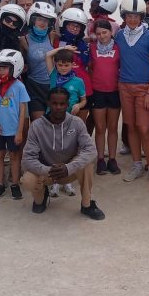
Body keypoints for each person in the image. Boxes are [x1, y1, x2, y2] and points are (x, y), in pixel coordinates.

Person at [20, 88, 105, 220]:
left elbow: (91, 150)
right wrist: (48, 169)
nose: (58, 107)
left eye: (62, 104)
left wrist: (68, 167)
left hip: (69, 170)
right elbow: (27, 159)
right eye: (54, 103)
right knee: (28, 179)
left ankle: (87, 205)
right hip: (47, 172)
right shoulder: (36, 126)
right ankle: (40, 199)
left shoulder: (76, 123)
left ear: (67, 104)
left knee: (87, 162)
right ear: (48, 103)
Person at [116, 0, 149, 185]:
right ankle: (136, 164)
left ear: (142, 17)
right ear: (124, 16)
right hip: (124, 86)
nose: (133, 19)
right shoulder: (119, 35)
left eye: (136, 16)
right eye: (129, 16)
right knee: (131, 127)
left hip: (144, 87)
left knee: (145, 128)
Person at [43, 46, 88, 197]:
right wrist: (64, 48)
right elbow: (48, 55)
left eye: (66, 65)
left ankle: (67, 181)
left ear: (72, 65)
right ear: (56, 65)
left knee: (69, 150)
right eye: (60, 64)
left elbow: (84, 100)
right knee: (54, 150)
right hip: (52, 119)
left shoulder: (78, 81)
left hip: (70, 120)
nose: (63, 68)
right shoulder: (53, 75)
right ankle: (55, 182)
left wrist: (78, 106)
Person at [0, 49, 30, 200]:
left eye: (4, 67)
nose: (1, 70)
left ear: (14, 68)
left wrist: (19, 131)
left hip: (13, 130)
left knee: (14, 156)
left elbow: (23, 110)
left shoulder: (19, 86)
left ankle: (15, 184)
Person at [88, 19, 121, 175]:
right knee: (100, 128)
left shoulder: (118, 47)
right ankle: (101, 159)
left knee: (113, 127)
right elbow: (89, 68)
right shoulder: (92, 48)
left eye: (105, 32)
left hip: (114, 91)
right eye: (99, 33)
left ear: (111, 32)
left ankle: (112, 159)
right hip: (98, 92)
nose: (102, 36)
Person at [21, 1, 58, 121]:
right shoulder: (24, 40)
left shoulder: (51, 36)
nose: (43, 23)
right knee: (39, 125)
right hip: (34, 87)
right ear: (32, 20)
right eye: (40, 19)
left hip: (52, 85)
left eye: (47, 20)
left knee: (52, 125)